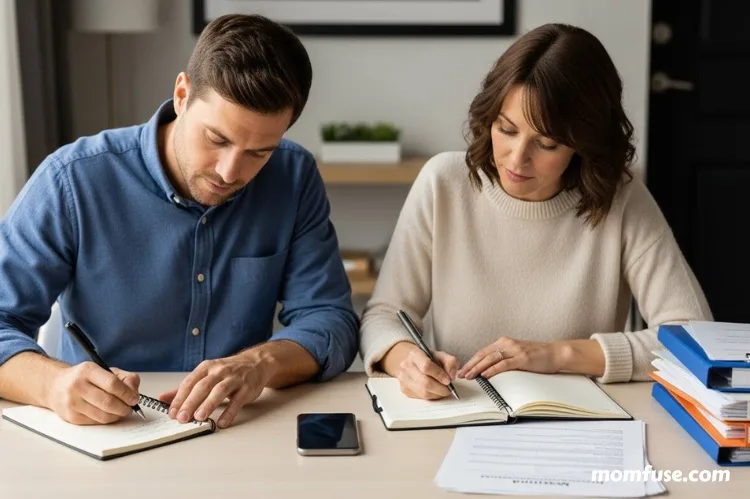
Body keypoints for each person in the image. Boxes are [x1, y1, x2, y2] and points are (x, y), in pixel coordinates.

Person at [0, 14, 359, 428]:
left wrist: (259, 363)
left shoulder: (293, 176)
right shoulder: (72, 180)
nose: (229, 171)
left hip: (238, 429)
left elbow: (330, 319)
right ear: (182, 94)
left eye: (259, 152)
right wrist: (53, 385)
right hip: (107, 435)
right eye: (217, 139)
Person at [359, 23, 712, 400]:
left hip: (579, 424)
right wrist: (405, 359)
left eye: (546, 144)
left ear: (584, 144)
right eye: (506, 129)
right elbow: (383, 316)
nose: (516, 159)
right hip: (458, 415)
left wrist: (557, 354)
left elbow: (695, 339)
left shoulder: (621, 199)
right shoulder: (443, 182)